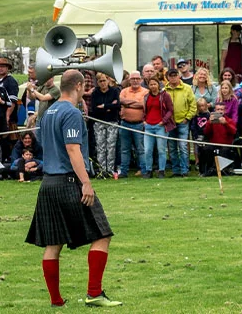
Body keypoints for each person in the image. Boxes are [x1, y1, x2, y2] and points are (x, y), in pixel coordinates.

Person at [25, 70, 122, 308]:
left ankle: (56, 301)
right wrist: (86, 182)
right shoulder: (72, 113)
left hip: (48, 184)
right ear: (78, 86)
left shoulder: (48, 113)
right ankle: (94, 293)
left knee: (53, 243)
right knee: (102, 235)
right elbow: (72, 150)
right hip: (69, 181)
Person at [164, 69, 196, 177]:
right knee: (172, 148)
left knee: (183, 147)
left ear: (179, 76)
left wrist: (187, 118)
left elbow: (193, 105)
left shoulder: (187, 88)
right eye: (171, 76)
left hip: (183, 121)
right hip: (170, 123)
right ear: (168, 77)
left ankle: (184, 170)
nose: (173, 78)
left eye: (175, 75)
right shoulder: (164, 90)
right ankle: (176, 170)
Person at [88, 74, 120, 178]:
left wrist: (104, 106)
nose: (103, 83)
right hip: (98, 121)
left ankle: (110, 170)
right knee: (100, 147)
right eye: (100, 81)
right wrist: (110, 106)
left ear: (108, 81)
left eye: (104, 80)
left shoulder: (114, 91)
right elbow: (94, 108)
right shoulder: (95, 93)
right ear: (97, 82)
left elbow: (117, 106)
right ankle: (102, 170)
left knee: (111, 147)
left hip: (112, 121)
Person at [142, 77, 174, 178]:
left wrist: (163, 121)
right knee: (147, 150)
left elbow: (170, 110)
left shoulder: (165, 96)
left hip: (160, 126)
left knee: (161, 150)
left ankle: (161, 170)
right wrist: (144, 120)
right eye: (150, 84)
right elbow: (144, 110)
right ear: (148, 86)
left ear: (158, 85)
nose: (153, 86)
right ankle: (148, 170)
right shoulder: (146, 97)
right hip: (148, 126)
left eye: (154, 84)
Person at [116, 72, 147, 179]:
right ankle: (124, 172)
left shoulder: (145, 92)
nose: (135, 81)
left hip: (139, 124)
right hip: (125, 124)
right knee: (124, 149)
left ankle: (144, 170)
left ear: (141, 80)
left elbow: (144, 104)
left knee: (141, 149)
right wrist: (136, 103)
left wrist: (128, 103)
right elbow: (121, 101)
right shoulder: (124, 91)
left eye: (137, 78)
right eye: (133, 78)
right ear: (129, 80)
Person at [200, 102, 237, 176]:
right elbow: (206, 133)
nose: (220, 111)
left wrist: (225, 124)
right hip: (213, 144)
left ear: (225, 111)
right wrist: (209, 123)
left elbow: (234, 132)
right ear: (215, 110)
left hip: (226, 145)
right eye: (218, 109)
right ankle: (206, 170)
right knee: (205, 149)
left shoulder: (229, 121)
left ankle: (220, 170)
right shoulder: (211, 121)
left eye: (221, 109)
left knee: (224, 150)